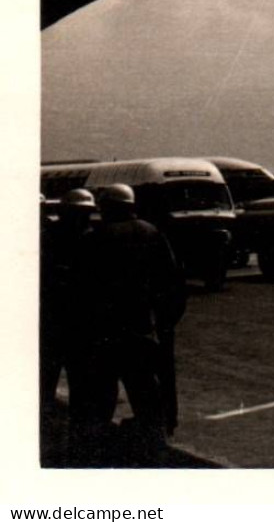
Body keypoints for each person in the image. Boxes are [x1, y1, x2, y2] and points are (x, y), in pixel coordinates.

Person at [72, 183, 187, 462]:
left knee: (100, 402)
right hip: (143, 331)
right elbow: (172, 284)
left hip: (106, 335)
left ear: (108, 207)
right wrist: (165, 321)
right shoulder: (151, 233)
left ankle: (94, 458)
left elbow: (81, 292)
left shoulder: (95, 239)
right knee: (147, 397)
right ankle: (156, 453)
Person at [40, 189, 97, 411]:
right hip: (78, 321)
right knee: (80, 383)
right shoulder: (92, 239)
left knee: (47, 379)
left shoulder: (48, 236)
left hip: (53, 318)